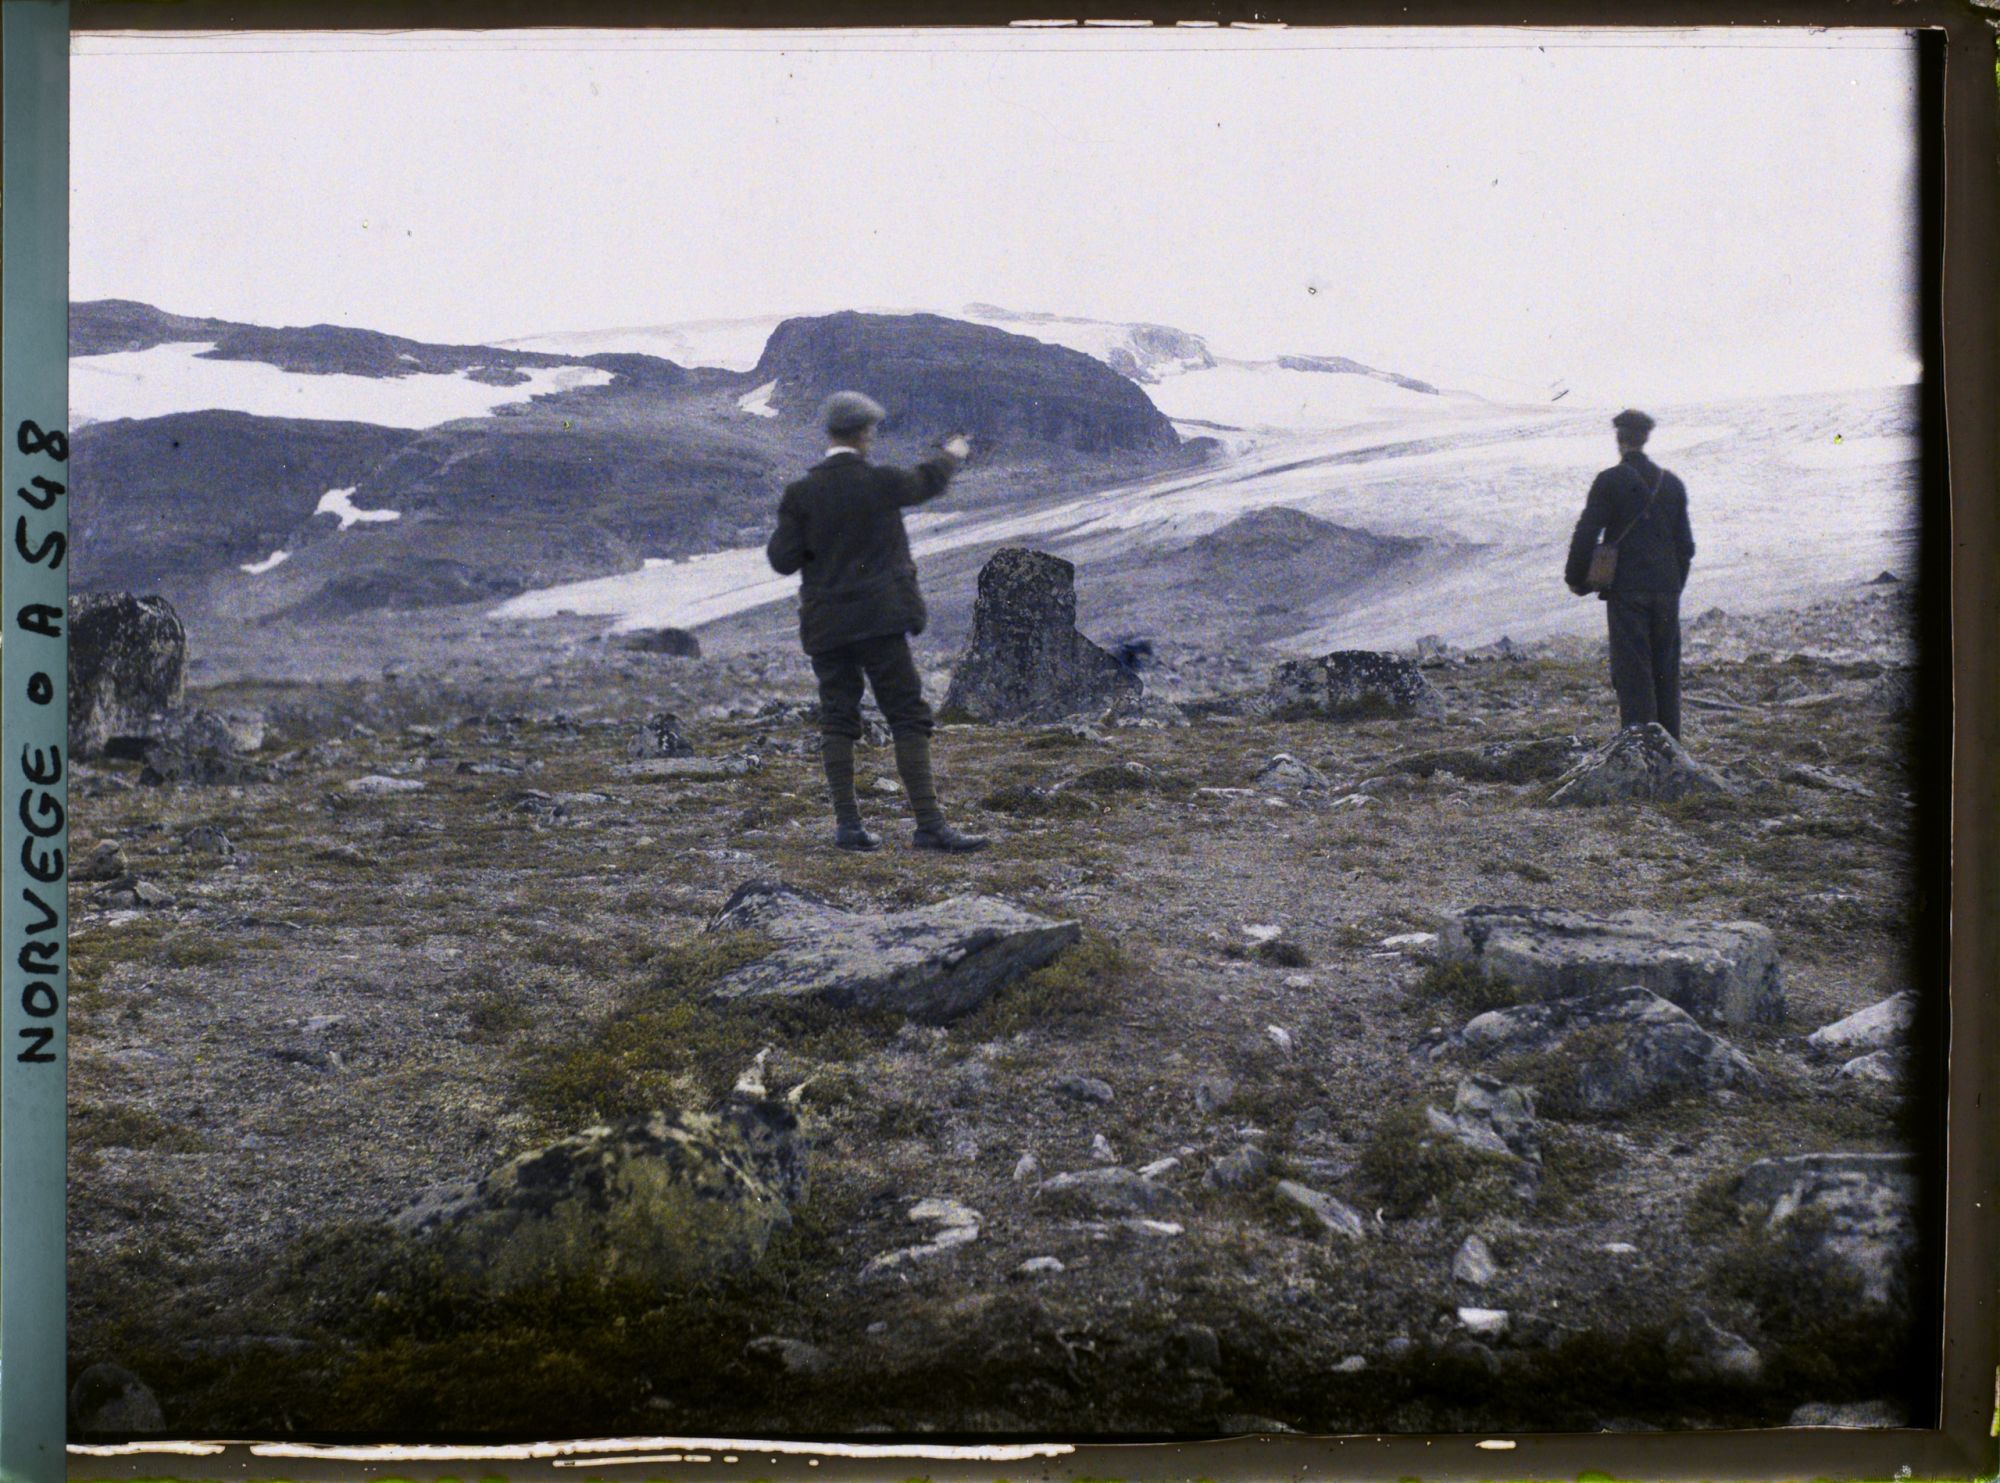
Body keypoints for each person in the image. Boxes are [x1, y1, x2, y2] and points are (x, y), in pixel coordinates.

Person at [766, 391, 990, 853]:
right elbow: (927, 482)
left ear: (831, 432)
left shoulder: (801, 493)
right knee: (907, 715)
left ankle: (848, 827)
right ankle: (929, 825)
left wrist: (819, 550)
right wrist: (953, 454)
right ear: (865, 433)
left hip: (826, 626)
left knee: (837, 718)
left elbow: (783, 560)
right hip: (880, 621)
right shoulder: (880, 482)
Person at [1564, 408, 1697, 740]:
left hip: (1627, 591)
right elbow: (1686, 546)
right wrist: (1672, 586)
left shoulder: (1609, 481)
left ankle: (1640, 750)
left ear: (1619, 439)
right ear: (1645, 437)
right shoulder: (1672, 485)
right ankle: (1671, 752)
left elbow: (1586, 532)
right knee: (1666, 672)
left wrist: (1577, 578)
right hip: (1666, 591)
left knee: (1633, 673)